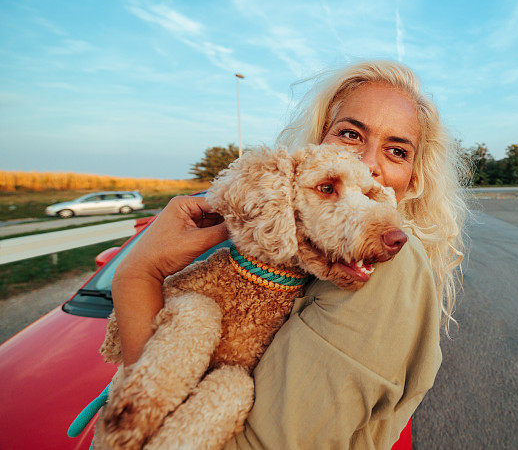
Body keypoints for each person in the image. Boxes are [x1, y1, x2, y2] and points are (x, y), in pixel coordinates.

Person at [109, 60, 468, 449]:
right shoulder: (299, 252)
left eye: (397, 151)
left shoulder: (388, 265)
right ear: (316, 141)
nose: (366, 164)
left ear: (413, 177)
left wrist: (138, 273)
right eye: (349, 134)